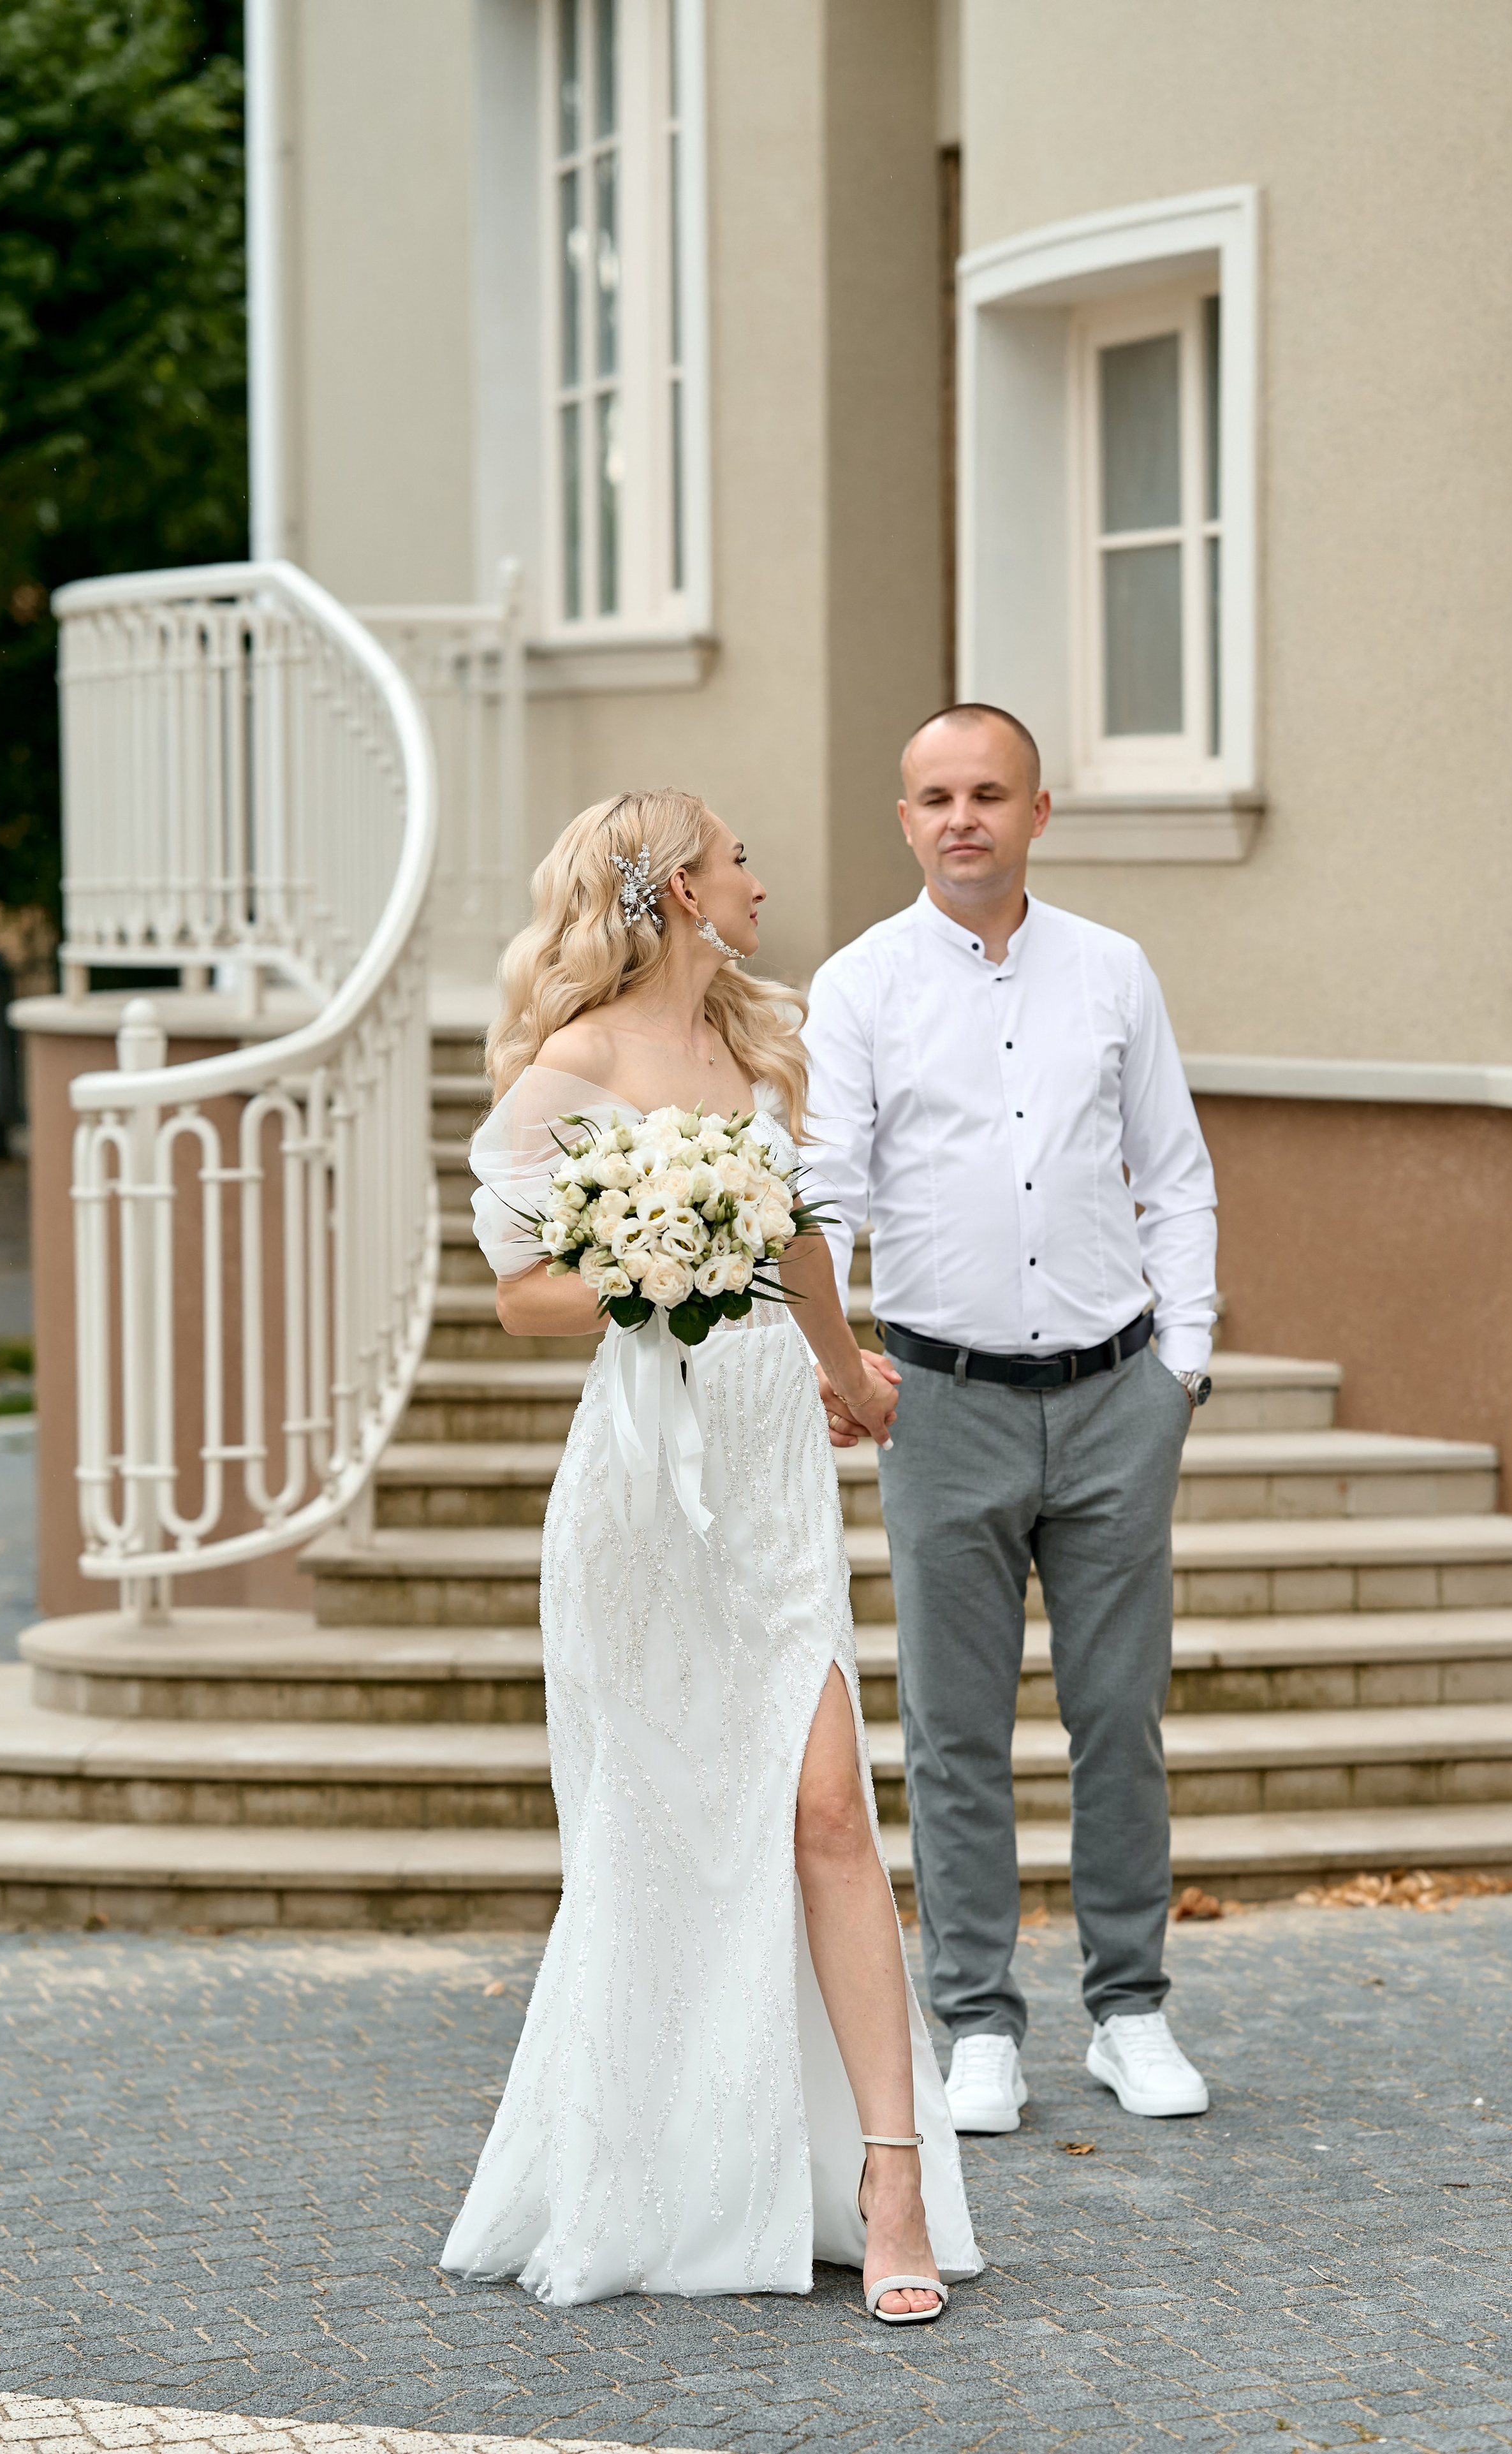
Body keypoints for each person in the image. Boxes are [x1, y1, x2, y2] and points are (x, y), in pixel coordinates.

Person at [441, 788, 981, 2319]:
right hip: (642, 1475)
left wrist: (851, 1366)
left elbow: (797, 1229)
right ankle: (657, 2166)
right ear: (679, 887)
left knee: (824, 1808)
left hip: (766, 1462)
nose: (759, 878)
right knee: (662, 1818)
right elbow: (519, 1290)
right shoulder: (574, 1064)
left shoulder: (763, 1042)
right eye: (737, 858)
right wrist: (648, 1256)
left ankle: (889, 2180)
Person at [802, 704, 1218, 2134]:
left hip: (1114, 1399)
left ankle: (1129, 2010)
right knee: (954, 1728)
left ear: (1039, 811)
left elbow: (1174, 1170)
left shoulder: (1112, 971)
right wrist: (836, 1349)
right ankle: (974, 2022)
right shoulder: (856, 985)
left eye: (988, 791)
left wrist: (1185, 1365)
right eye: (934, 795)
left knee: (1119, 1718)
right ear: (904, 818)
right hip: (944, 1402)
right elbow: (828, 1188)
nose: (961, 815)